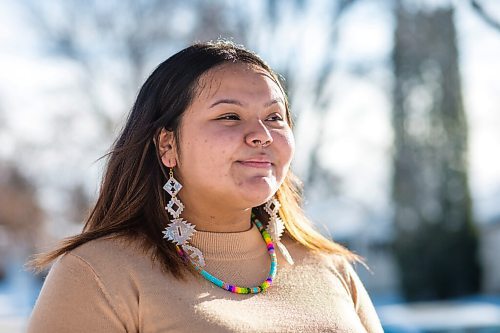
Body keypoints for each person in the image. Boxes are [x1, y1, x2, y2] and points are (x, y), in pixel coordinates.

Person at [26, 40, 384, 332]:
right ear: (167, 145)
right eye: (229, 116)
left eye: (274, 117)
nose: (261, 135)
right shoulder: (97, 274)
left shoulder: (330, 267)